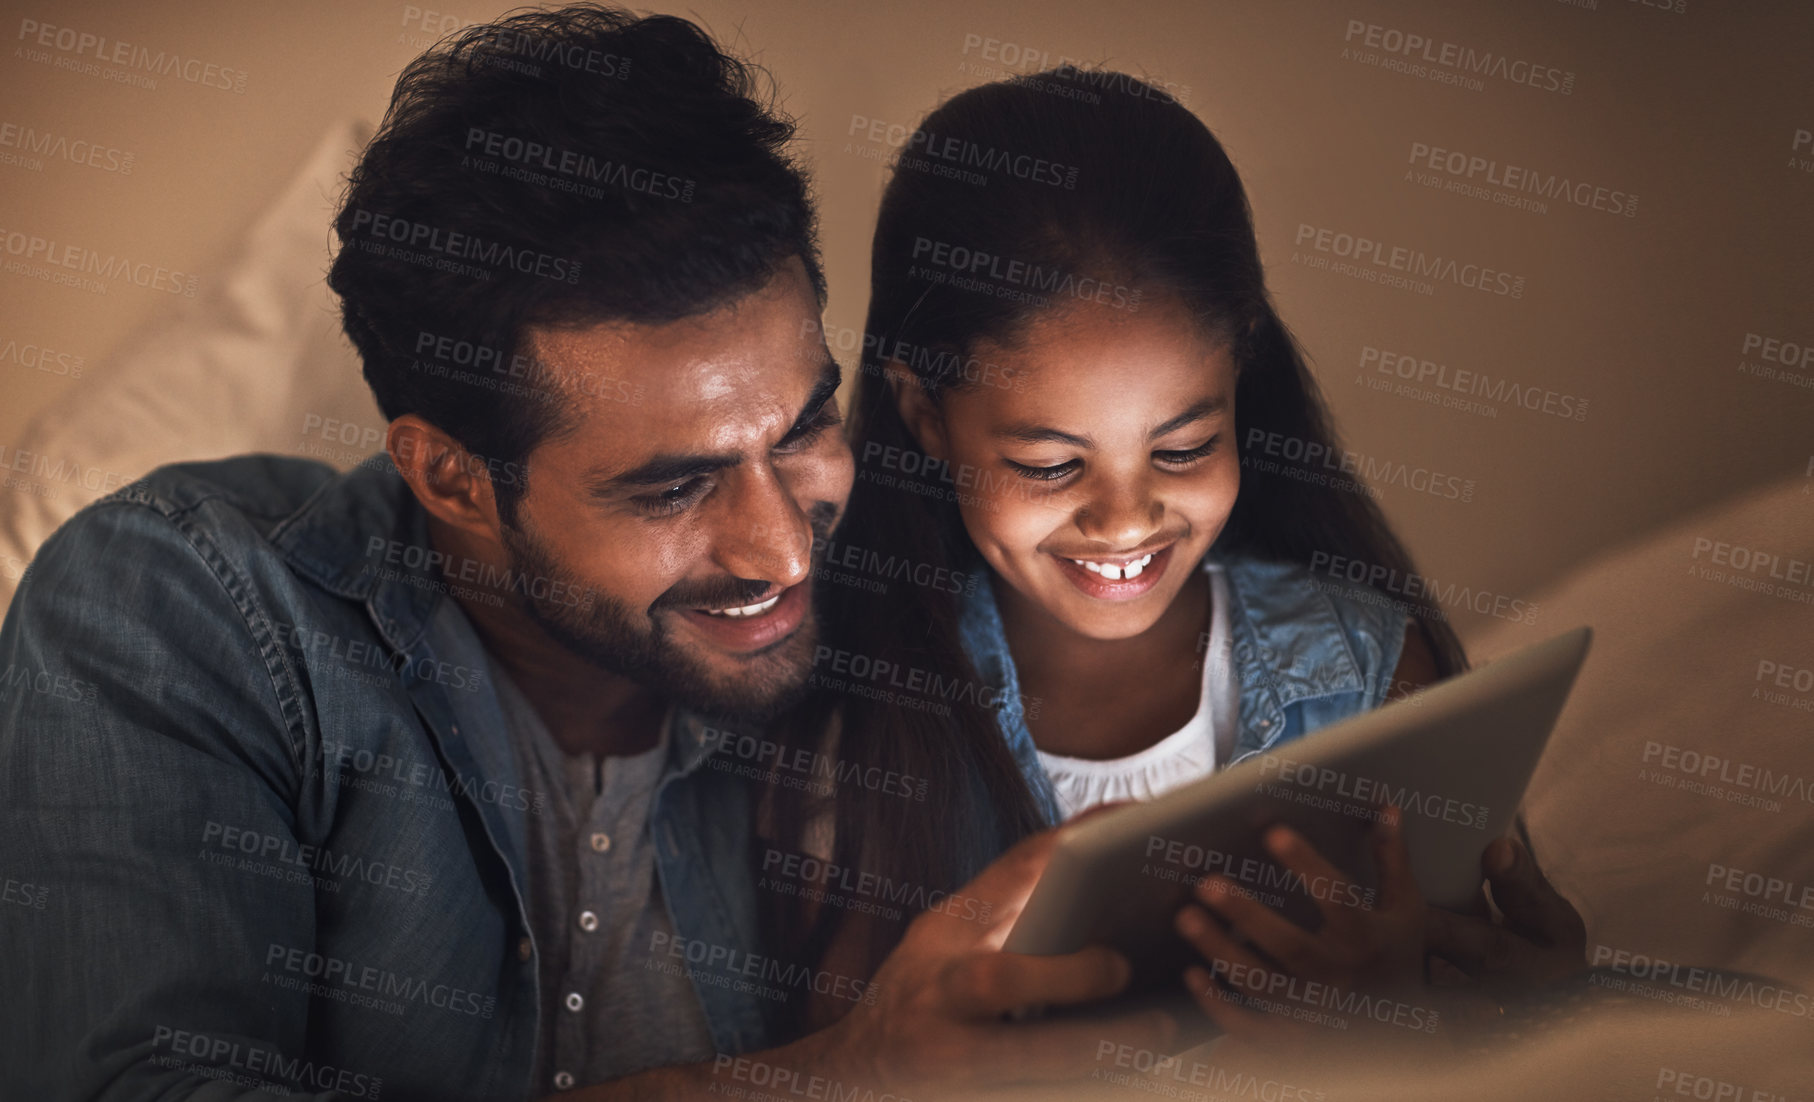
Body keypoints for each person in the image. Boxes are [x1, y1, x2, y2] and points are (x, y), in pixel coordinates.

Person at [0, 11, 1178, 1100]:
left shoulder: (904, 624)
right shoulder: (177, 606)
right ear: (452, 478)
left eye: (806, 426)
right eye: (672, 486)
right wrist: (841, 1078)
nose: (780, 548)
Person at [759, 66, 1589, 1046]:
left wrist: (1416, 1013)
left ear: (1240, 371)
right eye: (1049, 463)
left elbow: (1485, 991)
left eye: (1183, 449)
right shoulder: (867, 729)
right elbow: (847, 1058)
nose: (1122, 520)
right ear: (922, 414)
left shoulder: (1360, 669)